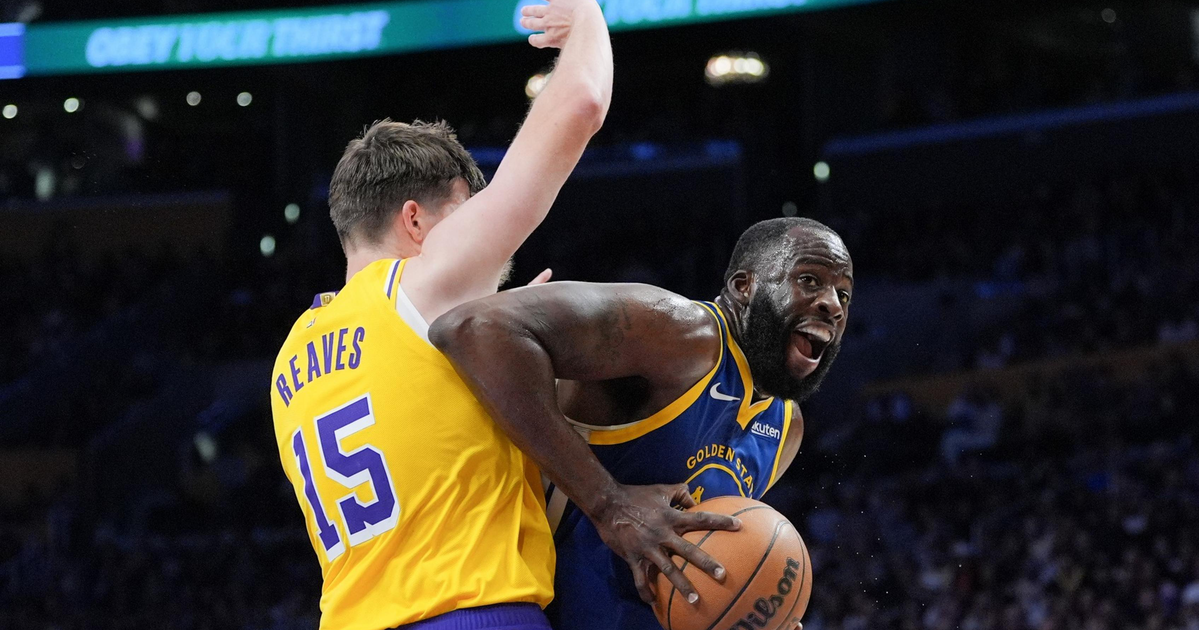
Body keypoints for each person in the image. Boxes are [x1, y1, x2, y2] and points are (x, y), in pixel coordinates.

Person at [267, 2, 625, 628]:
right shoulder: (418, 285)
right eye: (464, 215)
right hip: (471, 614)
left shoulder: (291, 358)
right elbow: (581, 104)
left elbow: (436, 461)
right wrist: (588, 20)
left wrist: (512, 352)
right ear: (414, 220)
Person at [431, 217, 853, 630]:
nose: (833, 305)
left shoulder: (785, 428)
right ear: (745, 287)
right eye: (810, 281)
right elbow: (473, 328)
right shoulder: (678, 334)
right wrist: (610, 504)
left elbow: (696, 572)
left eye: (844, 295)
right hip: (526, 607)